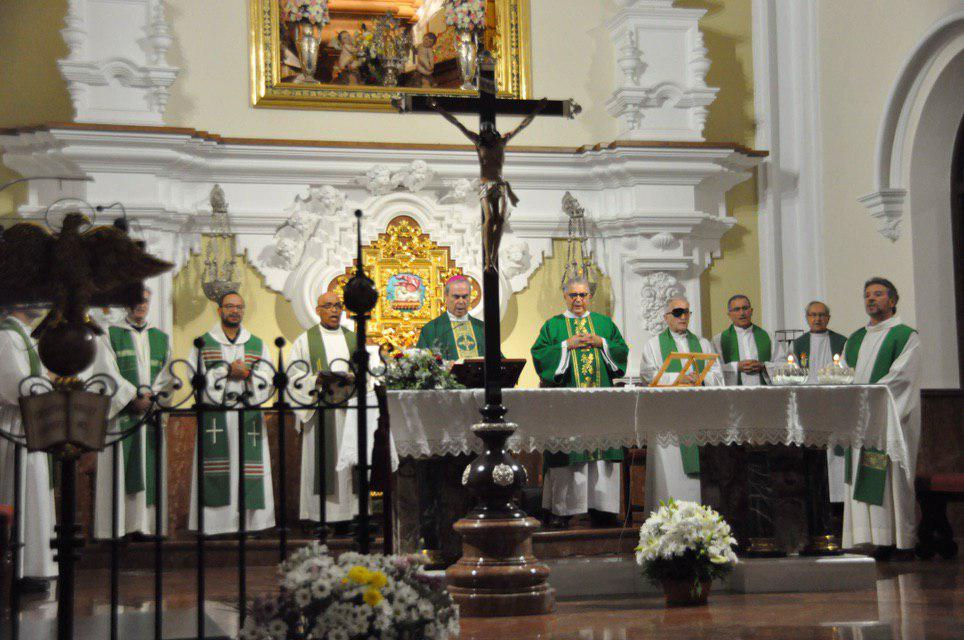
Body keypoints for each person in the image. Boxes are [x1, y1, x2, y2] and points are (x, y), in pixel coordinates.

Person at [530, 276, 629, 529]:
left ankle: (603, 510)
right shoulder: (553, 326)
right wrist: (566, 345)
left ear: (590, 297)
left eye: (583, 295)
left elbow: (621, 352)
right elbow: (540, 356)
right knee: (570, 455)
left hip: (600, 405)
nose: (578, 300)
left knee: (600, 456)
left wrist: (602, 343)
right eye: (573, 295)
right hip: (567, 405)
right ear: (565, 296)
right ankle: (564, 510)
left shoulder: (604, 324)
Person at [842, 278, 921, 556]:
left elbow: (902, 377)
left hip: (888, 420)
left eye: (877, 294)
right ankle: (866, 539)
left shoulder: (905, 335)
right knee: (860, 475)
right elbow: (842, 374)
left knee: (888, 477)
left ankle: (896, 539)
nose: (871, 299)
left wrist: (870, 399)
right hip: (859, 421)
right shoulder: (854, 339)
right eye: (867, 295)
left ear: (893, 300)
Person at [189, 291, 275, 535]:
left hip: (248, 415)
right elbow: (193, 379)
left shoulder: (257, 343)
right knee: (218, 467)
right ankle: (217, 526)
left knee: (249, 468)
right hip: (217, 415)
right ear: (219, 311)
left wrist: (247, 374)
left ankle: (252, 525)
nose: (234, 311)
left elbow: (269, 379)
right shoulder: (203, 342)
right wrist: (226, 371)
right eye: (229, 306)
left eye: (239, 306)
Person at [94, 287, 174, 540]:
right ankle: (118, 527)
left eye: (145, 301)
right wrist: (131, 398)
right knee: (121, 469)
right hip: (122, 417)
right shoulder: (110, 334)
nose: (141, 305)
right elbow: (105, 371)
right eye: (135, 300)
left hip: (149, 416)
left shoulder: (160, 337)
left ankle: (147, 525)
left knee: (150, 469)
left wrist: (151, 399)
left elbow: (168, 375)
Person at [638, 297, 723, 515]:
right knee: (670, 475)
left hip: (698, 416)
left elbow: (717, 375)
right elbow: (648, 374)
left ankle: (700, 521)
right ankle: (668, 519)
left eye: (686, 312)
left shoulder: (703, 344)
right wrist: (679, 377)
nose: (683, 316)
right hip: (669, 418)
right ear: (666, 317)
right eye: (677, 312)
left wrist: (701, 380)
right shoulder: (654, 344)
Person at [288, 291, 359, 534]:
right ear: (317, 310)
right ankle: (322, 517)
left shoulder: (354, 339)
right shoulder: (304, 341)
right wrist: (315, 379)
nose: (334, 310)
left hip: (350, 412)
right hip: (320, 413)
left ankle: (352, 517)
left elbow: (368, 374)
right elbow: (293, 377)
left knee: (350, 465)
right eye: (328, 306)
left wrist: (354, 379)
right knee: (323, 462)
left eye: (338, 305)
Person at [0, 309, 57, 592]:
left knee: (35, 494)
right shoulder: (8, 335)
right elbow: (15, 386)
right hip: (16, 425)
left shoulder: (24, 336)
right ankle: (20, 568)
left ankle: (35, 566)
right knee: (22, 492)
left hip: (31, 423)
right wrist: (49, 379)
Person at [793, 300, 849, 502]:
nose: (817, 319)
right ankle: (815, 496)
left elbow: (847, 370)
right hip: (809, 402)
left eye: (821, 315)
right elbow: (792, 373)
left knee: (834, 448)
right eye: (813, 315)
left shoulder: (842, 342)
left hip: (835, 401)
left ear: (828, 318)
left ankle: (837, 497)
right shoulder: (798, 344)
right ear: (807, 318)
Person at [415, 276, 484, 360]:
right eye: (456, 297)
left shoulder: (482, 328)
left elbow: (498, 362)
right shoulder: (431, 329)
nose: (461, 301)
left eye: (465, 297)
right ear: (446, 297)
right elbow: (421, 364)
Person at [713, 294, 773, 386]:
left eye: (745, 308)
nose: (742, 313)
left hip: (764, 393)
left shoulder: (768, 336)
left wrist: (764, 366)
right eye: (737, 309)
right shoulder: (719, 340)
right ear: (729, 314)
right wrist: (736, 366)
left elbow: (782, 364)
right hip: (734, 395)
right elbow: (714, 369)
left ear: (751, 311)